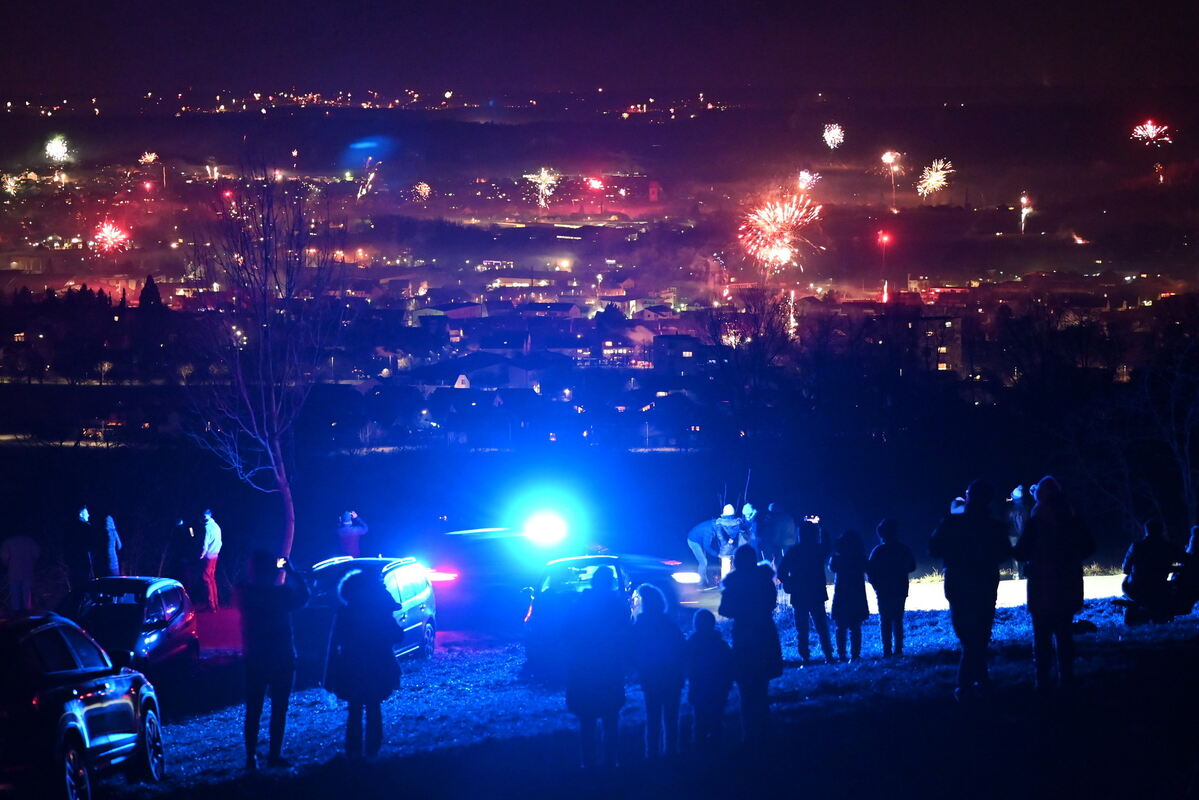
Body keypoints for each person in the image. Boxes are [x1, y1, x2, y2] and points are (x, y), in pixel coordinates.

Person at [929, 480, 1013, 701]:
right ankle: (979, 681)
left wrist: (948, 521)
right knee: (980, 636)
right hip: (985, 584)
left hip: (959, 584)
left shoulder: (952, 522)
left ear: (968, 497)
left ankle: (965, 686)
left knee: (969, 637)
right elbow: (1005, 554)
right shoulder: (994, 526)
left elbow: (934, 549)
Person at [1012, 477, 1095, 692]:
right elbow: (1089, 546)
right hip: (1067, 582)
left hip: (1041, 583)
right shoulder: (1072, 519)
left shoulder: (1035, 521)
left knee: (1041, 634)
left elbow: (1020, 552)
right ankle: (1066, 677)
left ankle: (1042, 679)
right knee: (1064, 632)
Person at [238, 551, 309, 770]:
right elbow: (304, 597)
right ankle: (274, 755)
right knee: (279, 709)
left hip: (256, 657)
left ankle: (251, 757)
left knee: (254, 709)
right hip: (282, 656)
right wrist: (291, 571)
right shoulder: (281, 595)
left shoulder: (246, 594)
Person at [325, 569, 401, 760]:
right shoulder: (380, 611)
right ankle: (372, 752)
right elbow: (398, 635)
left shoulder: (345, 612)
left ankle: (354, 752)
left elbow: (334, 644)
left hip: (352, 666)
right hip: (378, 664)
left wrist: (329, 674)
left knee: (355, 709)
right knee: (374, 708)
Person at [566, 565, 629, 768]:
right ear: (609, 582)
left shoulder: (581, 603)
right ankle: (610, 762)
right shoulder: (615, 605)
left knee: (587, 718)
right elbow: (623, 633)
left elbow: (569, 632)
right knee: (610, 718)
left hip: (586, 667)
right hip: (608, 666)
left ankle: (589, 763)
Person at [718, 545, 782, 740]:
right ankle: (764, 731)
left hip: (744, 633)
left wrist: (741, 610)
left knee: (746, 686)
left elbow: (724, 610)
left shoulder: (734, 582)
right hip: (764, 631)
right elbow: (772, 602)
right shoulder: (764, 578)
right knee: (761, 686)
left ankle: (750, 733)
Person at [631, 583, 685, 758]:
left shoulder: (640, 627)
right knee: (671, 717)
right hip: (671, 676)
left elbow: (633, 651)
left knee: (653, 716)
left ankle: (652, 754)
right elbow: (681, 649)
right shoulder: (669, 625)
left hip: (651, 676)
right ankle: (671, 752)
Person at [777, 519, 834, 665]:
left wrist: (789, 582)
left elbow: (781, 572)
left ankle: (805, 657)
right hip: (816, 592)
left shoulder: (794, 551)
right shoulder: (817, 550)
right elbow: (828, 546)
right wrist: (821, 526)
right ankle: (828, 655)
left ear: (800, 534)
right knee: (821, 626)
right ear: (815, 535)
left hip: (799, 593)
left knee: (802, 629)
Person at [867, 519, 917, 658]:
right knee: (898, 619)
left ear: (880, 534)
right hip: (900, 588)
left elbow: (870, 571)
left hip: (883, 590)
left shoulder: (878, 551)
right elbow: (912, 566)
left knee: (885, 620)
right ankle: (898, 648)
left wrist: (876, 585)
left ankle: (887, 650)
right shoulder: (903, 549)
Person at [1122, 519, 1187, 623]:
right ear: (1161, 531)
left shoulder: (1136, 546)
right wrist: (1173, 568)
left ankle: (1137, 609)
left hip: (1137, 588)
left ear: (1146, 531)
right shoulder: (1168, 547)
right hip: (1160, 587)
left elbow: (1125, 569)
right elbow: (1186, 561)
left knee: (1126, 580)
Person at [684, 609, 733, 747]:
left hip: (698, 688)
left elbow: (686, 664)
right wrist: (728, 684)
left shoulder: (692, 643)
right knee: (717, 719)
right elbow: (729, 664)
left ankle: (700, 749)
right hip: (718, 688)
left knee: (699, 721)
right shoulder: (720, 644)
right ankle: (718, 749)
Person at [829, 531, 869, 662]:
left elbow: (832, 567)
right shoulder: (860, 557)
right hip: (857, 594)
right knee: (855, 627)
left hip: (841, 594)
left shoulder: (838, 557)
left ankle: (841, 654)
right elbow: (867, 568)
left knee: (841, 627)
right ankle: (855, 655)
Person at [1, 534, 40, 611]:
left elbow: (4, 557)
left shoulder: (9, 541)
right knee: (27, 592)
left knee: (15, 592)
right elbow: (36, 554)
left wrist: (7, 565)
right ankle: (27, 611)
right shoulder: (29, 541)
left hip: (13, 571)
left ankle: (16, 612)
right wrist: (32, 563)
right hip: (27, 570)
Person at [64, 505, 95, 593]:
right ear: (81, 514)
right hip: (82, 559)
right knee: (84, 582)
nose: (88, 515)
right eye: (86, 513)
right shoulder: (85, 527)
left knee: (75, 583)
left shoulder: (70, 527)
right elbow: (90, 543)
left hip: (73, 561)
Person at [756, 502, 796, 567]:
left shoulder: (778, 519)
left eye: (771, 512)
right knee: (786, 561)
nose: (770, 514)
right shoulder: (787, 517)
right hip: (789, 543)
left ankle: (780, 574)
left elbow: (776, 533)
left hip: (782, 544)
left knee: (781, 562)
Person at [686, 517, 721, 588]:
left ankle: (706, 582)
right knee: (703, 562)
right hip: (693, 541)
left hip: (699, 540)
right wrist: (717, 554)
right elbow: (707, 547)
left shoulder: (714, 524)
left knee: (705, 561)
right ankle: (700, 584)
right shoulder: (709, 531)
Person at [200, 509, 222, 611]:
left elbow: (205, 543)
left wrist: (202, 554)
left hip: (209, 556)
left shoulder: (207, 528)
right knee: (212, 579)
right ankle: (216, 604)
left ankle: (211, 605)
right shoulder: (216, 526)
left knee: (206, 579)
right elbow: (220, 542)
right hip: (215, 555)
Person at [713, 504, 743, 579]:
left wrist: (726, 543)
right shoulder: (738, 522)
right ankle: (737, 584)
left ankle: (725, 585)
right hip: (736, 547)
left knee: (725, 567)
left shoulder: (719, 523)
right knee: (737, 566)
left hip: (725, 548)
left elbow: (720, 535)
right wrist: (732, 540)